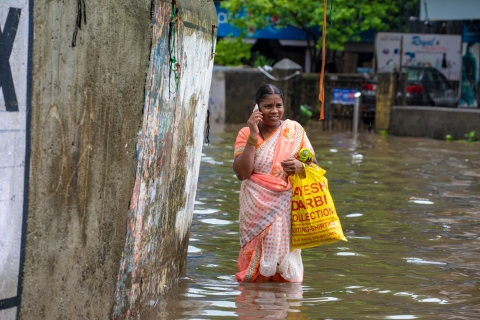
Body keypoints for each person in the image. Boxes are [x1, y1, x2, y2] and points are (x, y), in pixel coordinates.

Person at [233, 84, 317, 283]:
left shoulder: (294, 131)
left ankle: (281, 308)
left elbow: (314, 166)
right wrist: (253, 135)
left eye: (278, 105)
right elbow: (242, 173)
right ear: (257, 108)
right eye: (267, 106)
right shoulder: (245, 134)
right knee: (254, 269)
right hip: (255, 209)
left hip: (285, 207)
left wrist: (300, 167)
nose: (274, 111)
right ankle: (253, 309)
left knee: (284, 267)